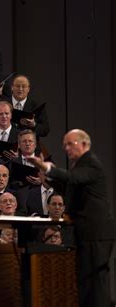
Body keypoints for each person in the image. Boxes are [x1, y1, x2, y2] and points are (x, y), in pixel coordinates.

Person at [28, 129, 115, 306]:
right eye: (64, 145)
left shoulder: (91, 163)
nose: (66, 148)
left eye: (70, 144)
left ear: (84, 144)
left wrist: (47, 167)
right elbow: (69, 187)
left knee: (95, 282)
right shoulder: (79, 167)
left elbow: (72, 178)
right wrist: (49, 179)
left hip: (96, 234)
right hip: (87, 233)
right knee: (86, 280)